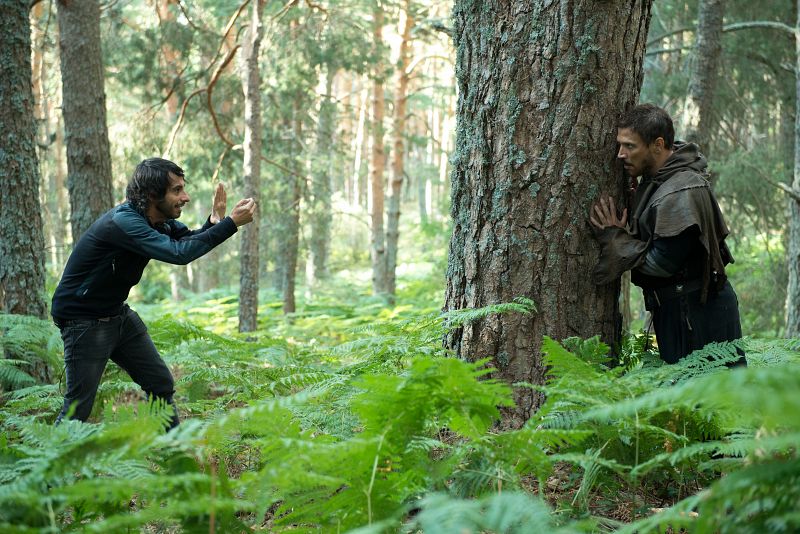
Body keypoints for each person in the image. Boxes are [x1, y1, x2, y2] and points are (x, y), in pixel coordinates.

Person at [51, 158, 256, 428]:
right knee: (78, 407)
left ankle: (174, 456)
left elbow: (185, 240)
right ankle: (43, 467)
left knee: (160, 383)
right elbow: (178, 254)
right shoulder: (124, 222)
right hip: (84, 320)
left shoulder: (158, 220)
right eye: (177, 190)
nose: (186, 197)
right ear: (151, 194)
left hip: (116, 314)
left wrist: (215, 222)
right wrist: (230, 224)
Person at [590, 104, 744, 365]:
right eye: (620, 145)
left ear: (658, 145)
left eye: (630, 146)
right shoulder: (660, 179)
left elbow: (660, 264)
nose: (620, 154)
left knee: (707, 403)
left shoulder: (681, 190)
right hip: (682, 311)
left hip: (696, 316)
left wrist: (617, 240)